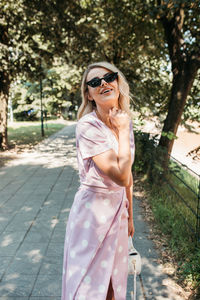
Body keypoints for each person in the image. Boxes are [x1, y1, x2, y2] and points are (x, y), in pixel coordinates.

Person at [61, 61, 135, 300]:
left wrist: (131, 216)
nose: (103, 83)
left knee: (114, 285)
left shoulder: (124, 120)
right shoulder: (87, 126)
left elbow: (129, 176)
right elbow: (120, 175)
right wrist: (122, 132)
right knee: (89, 289)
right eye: (95, 82)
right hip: (92, 215)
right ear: (89, 94)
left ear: (117, 81)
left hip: (119, 213)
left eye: (109, 77)